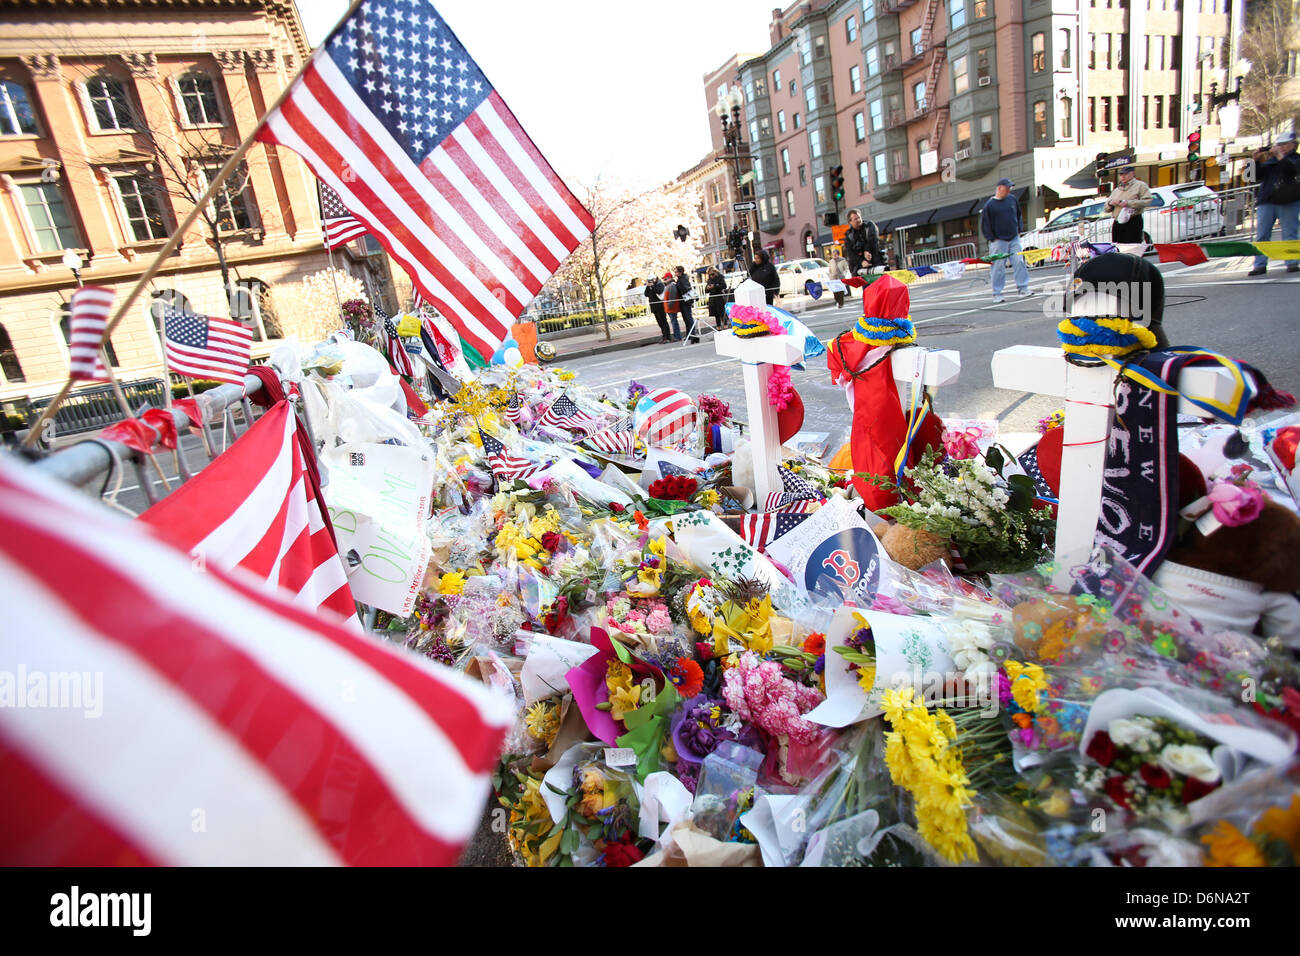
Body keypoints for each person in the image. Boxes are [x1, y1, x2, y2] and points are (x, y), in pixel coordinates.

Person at [1249, 132, 1300, 276]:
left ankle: (1292, 261)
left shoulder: (1296, 159)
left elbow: (1290, 171)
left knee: (1290, 232)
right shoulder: (1270, 162)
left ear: (1293, 145)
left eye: (1285, 144)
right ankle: (1259, 265)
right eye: (1279, 145)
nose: (1281, 147)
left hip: (1289, 200)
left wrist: (1279, 156)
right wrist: (1255, 161)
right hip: (1267, 201)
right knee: (1262, 234)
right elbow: (1253, 177)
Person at [979, 177, 1032, 304]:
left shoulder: (1012, 199)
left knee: (1019, 261)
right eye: (1007, 188)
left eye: (1009, 188)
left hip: (1013, 237)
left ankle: (1023, 288)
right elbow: (985, 224)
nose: (1009, 190)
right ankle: (997, 293)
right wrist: (992, 238)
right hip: (998, 240)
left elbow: (1018, 215)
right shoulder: (989, 206)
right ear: (999, 188)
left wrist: (1019, 228)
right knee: (998, 267)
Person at [1105, 166, 1152, 244]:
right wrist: (1111, 203)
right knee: (1118, 247)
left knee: (1132, 246)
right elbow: (1106, 207)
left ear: (1133, 174)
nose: (1123, 176)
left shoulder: (1140, 185)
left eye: (1125, 174)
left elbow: (1147, 201)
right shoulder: (1117, 189)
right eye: (1121, 174)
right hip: (1118, 222)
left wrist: (1128, 203)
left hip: (1132, 220)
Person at [843, 210, 879, 276]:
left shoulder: (869, 226)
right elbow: (850, 253)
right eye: (855, 219)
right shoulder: (849, 235)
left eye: (859, 217)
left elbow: (873, 239)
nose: (858, 220)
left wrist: (867, 250)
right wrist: (861, 261)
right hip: (861, 268)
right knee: (867, 286)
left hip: (875, 263)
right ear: (850, 222)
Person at [674, 265, 699, 344]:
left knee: (688, 318)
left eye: (676, 272)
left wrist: (677, 286)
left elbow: (685, 289)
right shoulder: (680, 279)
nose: (675, 273)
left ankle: (693, 333)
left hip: (686, 300)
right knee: (685, 318)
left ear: (680, 272)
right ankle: (689, 333)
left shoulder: (683, 279)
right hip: (683, 301)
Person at [643, 275, 670, 342]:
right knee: (659, 322)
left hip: (660, 306)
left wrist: (652, 286)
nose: (650, 281)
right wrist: (648, 286)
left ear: (655, 279)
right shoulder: (650, 286)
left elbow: (659, 291)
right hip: (654, 306)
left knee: (663, 321)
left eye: (651, 280)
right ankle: (664, 336)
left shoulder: (660, 284)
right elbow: (646, 294)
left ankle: (667, 337)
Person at [660, 271, 682, 340]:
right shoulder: (668, 286)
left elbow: (672, 297)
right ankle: (676, 336)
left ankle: (677, 336)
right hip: (669, 308)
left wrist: (669, 306)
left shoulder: (672, 285)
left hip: (672, 308)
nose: (664, 280)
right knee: (673, 322)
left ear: (670, 278)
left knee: (674, 322)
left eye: (666, 279)